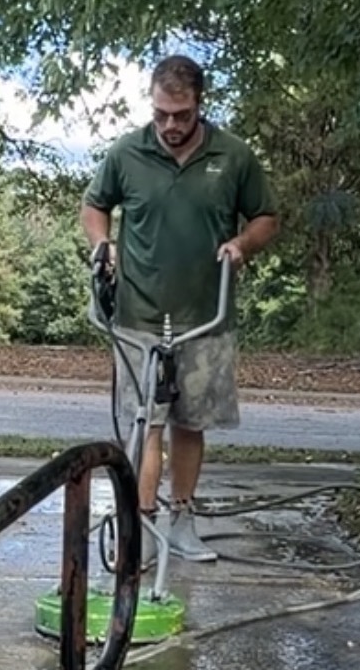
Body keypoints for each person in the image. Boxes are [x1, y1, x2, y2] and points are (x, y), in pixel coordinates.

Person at [80, 54, 278, 559]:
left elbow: (265, 217)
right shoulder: (127, 152)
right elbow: (95, 204)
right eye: (162, 113)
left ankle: (183, 519)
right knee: (145, 420)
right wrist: (103, 244)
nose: (170, 125)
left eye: (181, 114)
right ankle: (141, 530)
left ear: (199, 105)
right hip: (138, 312)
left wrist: (242, 246)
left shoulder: (233, 156)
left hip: (204, 314)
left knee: (190, 422)